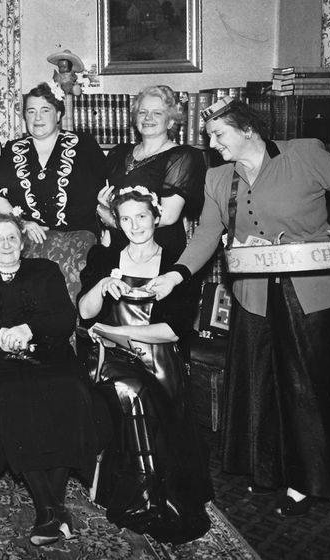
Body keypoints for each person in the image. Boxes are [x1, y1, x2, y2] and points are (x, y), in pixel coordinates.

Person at [146, 97, 330, 517]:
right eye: (209, 136)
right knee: (263, 387)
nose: (212, 144)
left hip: (314, 294)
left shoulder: (305, 155)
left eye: (218, 135)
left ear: (248, 130)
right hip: (255, 297)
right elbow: (207, 235)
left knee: (307, 389)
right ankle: (270, 470)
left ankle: (309, 480)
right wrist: (175, 275)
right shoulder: (218, 178)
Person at [0, 214, 111, 546]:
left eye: (12, 237)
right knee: (13, 396)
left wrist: (29, 328)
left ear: (23, 242)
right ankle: (52, 509)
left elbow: (66, 317)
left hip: (51, 354)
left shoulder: (46, 270)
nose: (6, 244)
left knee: (70, 391)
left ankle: (48, 512)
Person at [77, 185, 213, 545]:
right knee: (133, 390)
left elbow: (174, 331)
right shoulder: (104, 257)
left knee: (160, 401)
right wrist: (102, 286)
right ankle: (144, 499)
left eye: (141, 216)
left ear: (156, 217)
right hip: (109, 358)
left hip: (158, 359)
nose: (135, 225)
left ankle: (161, 493)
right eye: (126, 219)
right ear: (117, 222)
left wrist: (119, 331)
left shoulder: (176, 264)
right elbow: (85, 314)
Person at [0, 82, 107, 244]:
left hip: (79, 244)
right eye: (31, 111)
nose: (38, 117)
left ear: (58, 115)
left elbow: (106, 193)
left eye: (45, 110)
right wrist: (22, 224)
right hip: (29, 244)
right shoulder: (13, 149)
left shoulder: (84, 144)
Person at [97, 85, 205, 255]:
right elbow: (108, 207)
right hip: (119, 248)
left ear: (170, 122)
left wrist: (114, 221)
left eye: (157, 113)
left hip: (159, 252)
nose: (148, 117)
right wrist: (104, 252)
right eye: (142, 112)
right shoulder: (118, 153)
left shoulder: (182, 156)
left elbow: (168, 217)